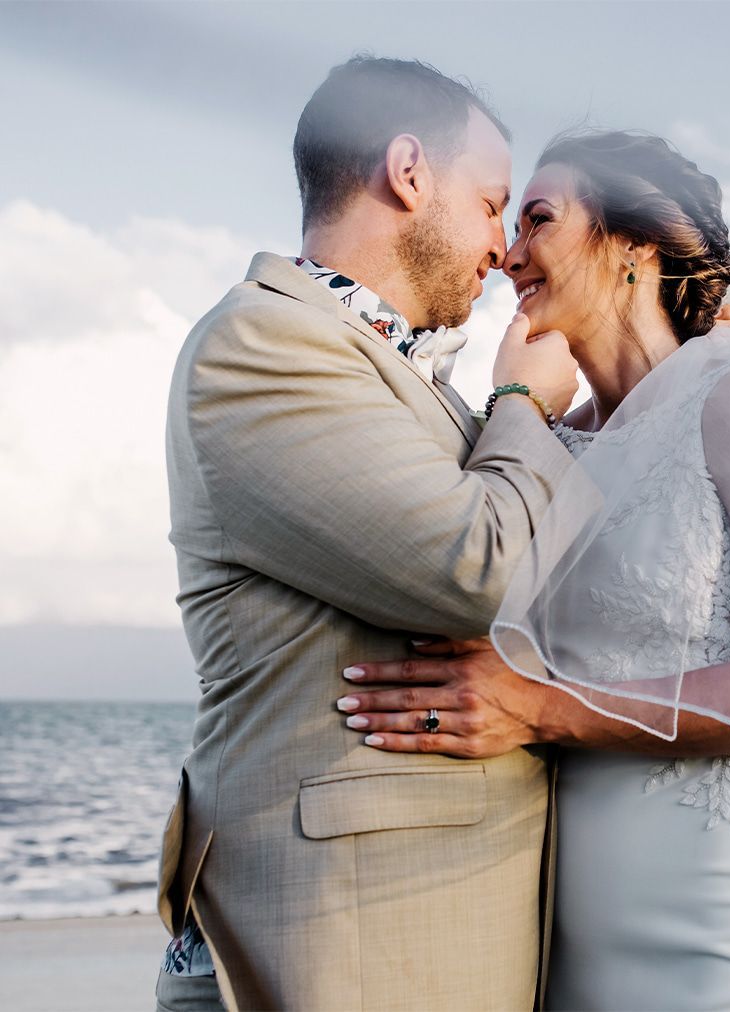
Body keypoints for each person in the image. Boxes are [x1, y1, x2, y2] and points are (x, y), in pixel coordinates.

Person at [337, 130, 730, 1011]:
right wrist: (517, 407)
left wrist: (537, 709)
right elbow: (463, 567)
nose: (507, 252)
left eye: (539, 219)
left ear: (633, 245)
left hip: (709, 918)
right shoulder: (552, 442)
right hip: (556, 916)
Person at [155, 57, 580, 1011]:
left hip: (425, 929)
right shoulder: (264, 346)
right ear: (409, 172)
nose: (503, 246)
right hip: (346, 946)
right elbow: (487, 570)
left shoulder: (401, 377)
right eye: (492, 202)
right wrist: (523, 402)